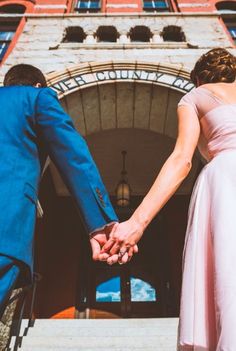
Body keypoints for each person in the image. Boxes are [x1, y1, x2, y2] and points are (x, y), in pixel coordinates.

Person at [103, 48, 236, 350]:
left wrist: (136, 223)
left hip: (227, 181)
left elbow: (182, 160)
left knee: (230, 278)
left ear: (200, 77)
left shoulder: (196, 96)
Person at [0, 64, 133, 319]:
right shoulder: (38, 97)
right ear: (39, 85)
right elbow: (74, 156)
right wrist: (100, 223)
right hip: (5, 225)